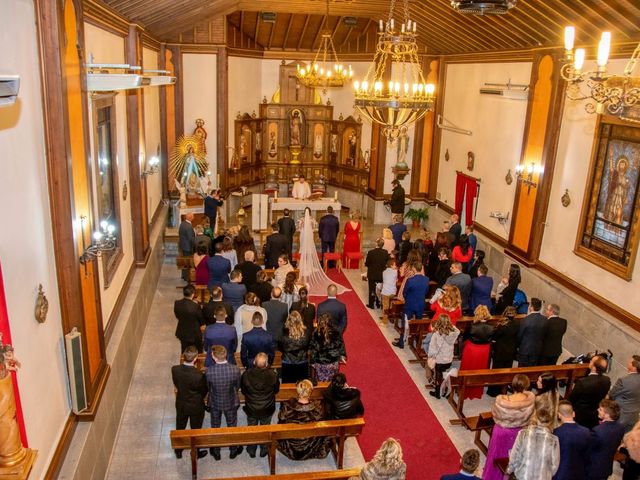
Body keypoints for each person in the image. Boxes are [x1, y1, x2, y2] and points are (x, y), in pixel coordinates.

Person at [483, 374, 535, 480]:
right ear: (526, 386)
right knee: (514, 455)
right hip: (520, 431)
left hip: (502, 431)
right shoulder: (530, 400)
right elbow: (531, 417)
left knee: (496, 454)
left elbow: (495, 414)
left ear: (513, 385)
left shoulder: (502, 400)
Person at [297, 208, 349, 296]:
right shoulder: (334, 219)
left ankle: (322, 264)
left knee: (321, 251)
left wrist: (321, 236)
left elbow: (317, 229)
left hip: (313, 236)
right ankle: (331, 264)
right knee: (331, 250)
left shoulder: (320, 219)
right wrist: (334, 236)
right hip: (329, 237)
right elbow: (335, 229)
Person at [507, 395, 560, 480]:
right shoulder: (554, 440)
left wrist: (510, 470)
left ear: (535, 417)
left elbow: (514, 457)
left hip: (522, 476)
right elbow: (554, 466)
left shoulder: (523, 434)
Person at [277, 379, 330, 460]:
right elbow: (321, 421)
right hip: (310, 445)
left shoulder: (287, 405)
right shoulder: (317, 407)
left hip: (291, 444)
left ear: (298, 391)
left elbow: (280, 420)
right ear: (310, 391)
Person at [205, 345, 243, 460]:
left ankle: (216, 452)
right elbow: (237, 386)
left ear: (214, 357)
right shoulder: (235, 369)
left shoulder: (209, 371)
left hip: (215, 402)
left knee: (215, 426)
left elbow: (208, 387)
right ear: (225, 355)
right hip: (231, 401)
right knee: (232, 426)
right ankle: (233, 451)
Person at [240, 352, 280, 458]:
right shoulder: (273, 374)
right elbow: (276, 390)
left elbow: (243, 391)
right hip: (267, 408)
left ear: (254, 362)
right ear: (266, 363)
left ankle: (251, 449)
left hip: (251, 408)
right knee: (265, 428)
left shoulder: (246, 374)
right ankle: (264, 448)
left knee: (252, 428)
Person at [171, 346, 208, 459]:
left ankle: (178, 450)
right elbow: (204, 391)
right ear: (196, 358)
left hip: (181, 402)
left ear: (184, 356)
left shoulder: (175, 369)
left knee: (180, 426)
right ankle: (195, 451)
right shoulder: (199, 375)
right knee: (195, 429)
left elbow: (176, 384)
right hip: (196, 405)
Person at [568, 354, 611, 429]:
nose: (590, 361)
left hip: (579, 416)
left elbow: (572, 399)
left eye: (591, 361)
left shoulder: (583, 382)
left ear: (594, 367)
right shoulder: (607, 380)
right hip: (594, 416)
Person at [460, 305, 493, 399]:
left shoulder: (472, 325)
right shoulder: (491, 327)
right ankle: (476, 391)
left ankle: (465, 390)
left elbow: (465, 337)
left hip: (472, 349)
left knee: (468, 368)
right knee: (480, 368)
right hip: (484, 350)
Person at [587, 399, 626, 480]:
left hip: (593, 469)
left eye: (600, 409)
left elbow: (588, 449)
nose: (597, 410)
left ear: (607, 415)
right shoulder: (621, 427)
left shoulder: (597, 430)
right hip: (606, 467)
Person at [553, 400, 591, 480]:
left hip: (560, 474)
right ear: (573, 414)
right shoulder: (587, 432)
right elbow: (588, 456)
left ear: (559, 415)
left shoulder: (556, 433)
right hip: (579, 473)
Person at [394, 261, 428, 349]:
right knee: (418, 322)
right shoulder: (426, 279)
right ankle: (416, 339)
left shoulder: (410, 280)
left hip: (410, 304)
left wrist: (407, 299)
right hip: (420, 304)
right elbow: (426, 291)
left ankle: (401, 342)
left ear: (413, 269)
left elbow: (405, 292)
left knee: (405, 323)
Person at [487, 306, 519, 396]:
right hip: (511, 350)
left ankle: (493, 391)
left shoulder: (502, 324)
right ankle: (503, 388)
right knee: (507, 370)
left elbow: (495, 336)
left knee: (497, 370)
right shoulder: (518, 323)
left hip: (500, 350)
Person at [428, 314, 460, 399]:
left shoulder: (436, 334)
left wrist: (431, 356)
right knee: (445, 374)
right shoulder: (453, 334)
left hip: (440, 359)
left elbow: (432, 347)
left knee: (438, 376)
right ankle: (446, 390)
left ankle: (437, 393)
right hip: (448, 359)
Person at [310, 313, 346, 382]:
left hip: (321, 363)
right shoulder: (337, 332)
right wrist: (342, 356)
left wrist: (312, 361)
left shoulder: (316, 333)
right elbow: (341, 345)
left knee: (320, 381)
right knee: (333, 380)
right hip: (333, 362)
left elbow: (313, 349)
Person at [609, 355, 640, 432]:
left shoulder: (623, 380)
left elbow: (612, 394)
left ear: (634, 366)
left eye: (629, 362)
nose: (627, 363)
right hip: (635, 415)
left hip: (621, 415)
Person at [279, 311, 311, 383]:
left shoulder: (284, 333)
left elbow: (281, 347)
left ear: (289, 320)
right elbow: (308, 345)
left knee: (288, 386)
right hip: (302, 361)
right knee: (302, 387)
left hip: (288, 362)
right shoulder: (306, 333)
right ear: (300, 320)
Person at [518, 298, 549, 367]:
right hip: (537, 349)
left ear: (531, 307)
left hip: (525, 349)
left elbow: (520, 335)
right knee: (532, 367)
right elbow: (545, 334)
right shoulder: (545, 320)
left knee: (521, 368)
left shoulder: (525, 320)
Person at [174, 284, 204, 353]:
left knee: (184, 349)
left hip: (182, 330)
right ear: (193, 294)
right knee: (198, 350)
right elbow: (201, 320)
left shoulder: (177, 303)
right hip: (194, 333)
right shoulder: (196, 306)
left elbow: (177, 316)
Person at [365, 238, 390, 309]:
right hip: (381, 274)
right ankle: (379, 303)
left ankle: (371, 304)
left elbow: (367, 264)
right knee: (380, 289)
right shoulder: (385, 252)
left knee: (372, 289)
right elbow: (386, 263)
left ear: (376, 243)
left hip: (372, 274)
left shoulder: (371, 252)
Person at [178, 212, 196, 281]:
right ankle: (187, 277)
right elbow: (190, 238)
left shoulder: (182, 223)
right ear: (190, 218)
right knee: (188, 263)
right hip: (188, 247)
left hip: (183, 246)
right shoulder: (188, 226)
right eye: (193, 216)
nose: (194, 217)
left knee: (184, 262)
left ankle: (183, 275)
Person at [380, 259, 398, 325]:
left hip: (385, 292)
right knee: (390, 305)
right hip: (393, 292)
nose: (396, 266)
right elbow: (396, 280)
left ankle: (384, 322)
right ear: (391, 265)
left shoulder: (384, 272)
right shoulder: (395, 272)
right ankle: (390, 317)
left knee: (385, 307)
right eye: (395, 265)